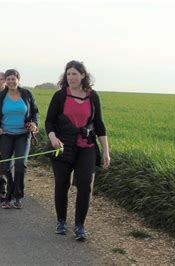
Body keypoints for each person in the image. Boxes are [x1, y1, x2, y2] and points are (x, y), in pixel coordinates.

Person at [45, 60, 110, 241]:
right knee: (62, 184)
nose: (71, 77)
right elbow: (49, 121)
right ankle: (61, 221)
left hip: (86, 147)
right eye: (68, 74)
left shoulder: (93, 96)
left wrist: (106, 151)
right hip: (63, 146)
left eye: (74, 73)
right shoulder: (60, 96)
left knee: (85, 186)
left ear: (83, 75)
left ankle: (80, 226)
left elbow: (99, 125)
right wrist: (52, 137)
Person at [0, 69, 39, 209]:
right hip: (5, 134)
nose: (11, 81)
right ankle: (6, 196)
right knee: (5, 166)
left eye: (14, 78)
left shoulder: (27, 94)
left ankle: (17, 196)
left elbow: (35, 112)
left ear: (18, 79)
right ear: (5, 81)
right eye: (9, 79)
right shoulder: (0, 96)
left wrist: (34, 124)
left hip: (23, 135)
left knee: (20, 164)